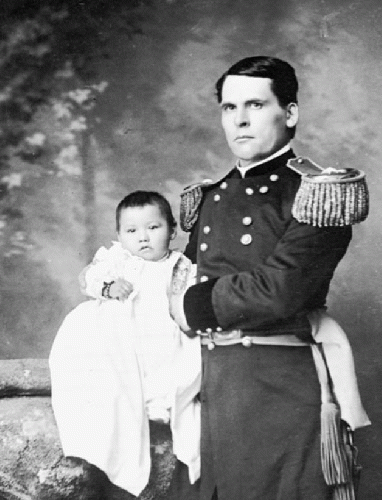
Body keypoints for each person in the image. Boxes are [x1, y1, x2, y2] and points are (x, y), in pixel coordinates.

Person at [170, 56, 370, 500]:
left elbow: (280, 291)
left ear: (290, 113)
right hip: (214, 389)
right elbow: (181, 275)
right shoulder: (210, 195)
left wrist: (188, 306)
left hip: (278, 392)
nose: (239, 119)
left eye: (256, 105)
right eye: (228, 108)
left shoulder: (318, 192)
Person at [49, 191, 201, 499]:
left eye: (153, 228)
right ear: (120, 235)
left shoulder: (182, 266)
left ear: (172, 230)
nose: (143, 238)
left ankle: (158, 402)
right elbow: (90, 279)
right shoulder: (117, 260)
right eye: (132, 231)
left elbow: (191, 301)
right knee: (92, 343)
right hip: (121, 338)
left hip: (163, 337)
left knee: (185, 366)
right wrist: (109, 286)